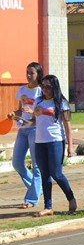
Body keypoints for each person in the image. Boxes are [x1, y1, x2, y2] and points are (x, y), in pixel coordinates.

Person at [31, 75, 76, 217]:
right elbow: (34, 121)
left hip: (56, 141)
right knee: (44, 174)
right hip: (40, 142)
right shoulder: (38, 101)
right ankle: (48, 206)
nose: (45, 89)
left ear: (54, 87)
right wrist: (21, 122)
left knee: (56, 173)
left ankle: (71, 198)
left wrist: (70, 146)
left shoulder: (61, 103)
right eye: (43, 86)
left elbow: (68, 126)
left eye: (48, 86)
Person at [7, 62, 43, 208]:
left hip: (35, 129)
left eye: (32, 73)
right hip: (22, 129)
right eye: (27, 72)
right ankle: (36, 189)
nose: (28, 75)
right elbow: (19, 110)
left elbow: (42, 112)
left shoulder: (41, 91)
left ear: (38, 74)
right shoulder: (22, 89)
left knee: (36, 166)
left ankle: (31, 199)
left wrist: (32, 112)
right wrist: (13, 114)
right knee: (16, 163)